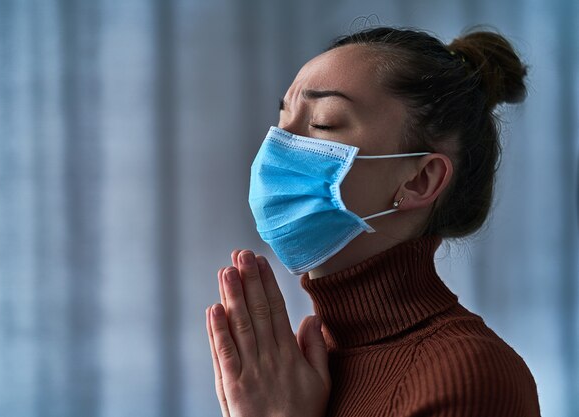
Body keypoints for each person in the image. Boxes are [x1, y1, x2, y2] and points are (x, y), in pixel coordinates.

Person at [205, 26, 541, 417]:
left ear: (419, 180)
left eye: (323, 123)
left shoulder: (472, 377)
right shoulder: (292, 372)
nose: (276, 148)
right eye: (283, 121)